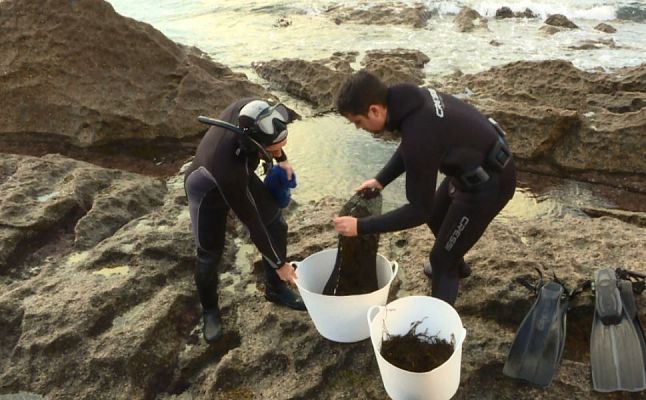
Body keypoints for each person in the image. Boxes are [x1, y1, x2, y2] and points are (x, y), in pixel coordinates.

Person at [332, 70, 516, 305]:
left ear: (374, 110)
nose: (359, 128)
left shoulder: (420, 133)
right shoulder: (406, 99)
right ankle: (457, 267)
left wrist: (361, 226)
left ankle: (440, 331)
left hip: (490, 186)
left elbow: (418, 210)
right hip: (471, 170)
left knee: (440, 261)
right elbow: (412, 146)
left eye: (358, 122)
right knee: (437, 216)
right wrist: (381, 180)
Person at [184, 98, 306, 343]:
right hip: (207, 190)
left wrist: (282, 159)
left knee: (276, 223)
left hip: (242, 172)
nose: (276, 149)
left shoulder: (255, 110)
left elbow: (272, 138)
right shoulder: (228, 167)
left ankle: (275, 289)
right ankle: (210, 310)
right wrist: (281, 264)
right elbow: (253, 225)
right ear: (254, 143)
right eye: (271, 149)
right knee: (210, 253)